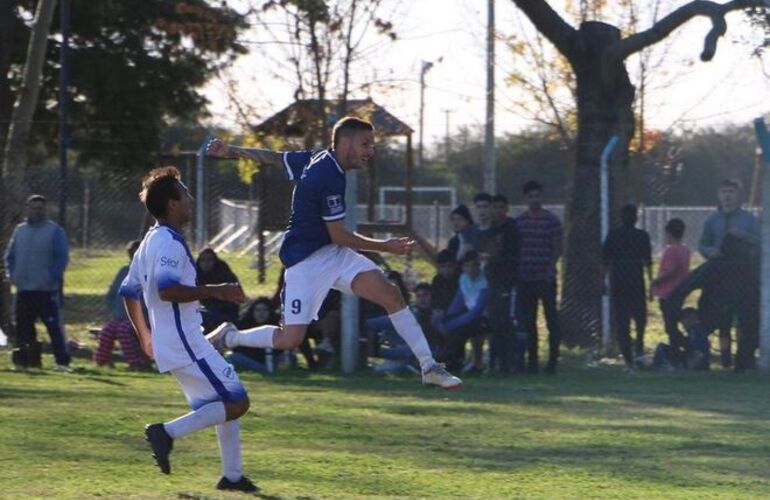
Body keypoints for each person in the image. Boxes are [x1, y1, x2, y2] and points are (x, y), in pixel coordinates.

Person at [205, 116, 461, 389]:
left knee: (391, 294)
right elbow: (339, 235)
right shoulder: (326, 176)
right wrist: (386, 246)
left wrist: (232, 151)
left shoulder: (319, 158)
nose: (371, 151)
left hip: (334, 254)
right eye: (366, 144)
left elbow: (275, 158)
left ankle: (428, 366)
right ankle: (230, 337)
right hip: (305, 263)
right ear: (345, 142)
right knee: (289, 339)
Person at [119, 167, 256, 492]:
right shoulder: (168, 243)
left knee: (223, 404)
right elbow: (167, 291)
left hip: (175, 342)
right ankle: (165, 432)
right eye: (185, 194)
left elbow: (128, 291)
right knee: (238, 402)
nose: (191, 199)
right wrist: (218, 290)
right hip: (186, 343)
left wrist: (145, 336)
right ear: (172, 204)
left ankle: (232, 477)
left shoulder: (150, 240)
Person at [698, 178, 760, 372]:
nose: (727, 196)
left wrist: (744, 236)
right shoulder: (712, 220)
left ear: (738, 195)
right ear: (719, 195)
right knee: (722, 316)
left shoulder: (749, 219)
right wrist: (709, 251)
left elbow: (761, 241)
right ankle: (725, 360)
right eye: (724, 192)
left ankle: (743, 359)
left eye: (731, 192)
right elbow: (703, 243)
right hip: (719, 271)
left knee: (743, 316)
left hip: (743, 272)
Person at [5, 194, 70, 370]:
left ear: (45, 210)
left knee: (53, 327)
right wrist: (13, 275)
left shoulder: (54, 231)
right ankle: (25, 361)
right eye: (33, 208)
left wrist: (50, 278)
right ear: (27, 209)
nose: (36, 211)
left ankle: (62, 362)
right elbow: (10, 256)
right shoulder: (20, 230)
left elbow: (61, 258)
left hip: (45, 290)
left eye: (40, 208)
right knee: (23, 327)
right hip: (23, 289)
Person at [515, 181, 563, 374]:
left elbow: (558, 247)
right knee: (529, 321)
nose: (535, 200)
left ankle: (552, 361)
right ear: (526, 199)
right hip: (525, 277)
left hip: (545, 277)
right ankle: (532, 361)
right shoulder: (519, 222)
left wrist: (550, 267)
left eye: (537, 196)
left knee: (552, 320)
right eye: (531, 196)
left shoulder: (551, 220)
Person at [602, 204, 652, 371]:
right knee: (640, 318)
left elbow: (605, 261)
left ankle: (629, 358)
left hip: (619, 281)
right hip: (635, 280)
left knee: (622, 321)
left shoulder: (613, 235)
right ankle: (638, 348)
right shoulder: (642, 236)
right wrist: (651, 283)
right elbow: (648, 262)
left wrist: (603, 281)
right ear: (636, 217)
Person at [93, 240, 150, 370]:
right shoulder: (124, 271)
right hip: (121, 317)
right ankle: (101, 362)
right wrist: (113, 311)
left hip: (144, 318)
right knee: (107, 331)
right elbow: (112, 294)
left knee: (123, 330)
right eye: (132, 253)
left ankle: (137, 364)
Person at [483, 194, 520, 374]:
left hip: (508, 282)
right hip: (492, 281)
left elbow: (513, 255)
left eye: (500, 207)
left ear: (506, 209)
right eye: (494, 207)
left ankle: (509, 362)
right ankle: (494, 361)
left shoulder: (512, 228)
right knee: (494, 322)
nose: (497, 211)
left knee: (507, 322)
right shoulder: (488, 229)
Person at [438, 251, 489, 374]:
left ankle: (455, 364)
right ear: (463, 267)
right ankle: (448, 363)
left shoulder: (485, 282)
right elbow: (457, 303)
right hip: (471, 318)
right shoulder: (463, 279)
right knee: (447, 329)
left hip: (484, 318)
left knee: (457, 331)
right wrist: (446, 320)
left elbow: (477, 310)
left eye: (475, 265)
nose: (471, 269)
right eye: (468, 266)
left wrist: (451, 325)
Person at [650, 218, 691, 366]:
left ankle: (689, 349)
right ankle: (677, 353)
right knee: (673, 324)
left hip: (667, 293)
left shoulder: (670, 250)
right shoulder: (686, 250)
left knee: (670, 326)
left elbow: (669, 270)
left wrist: (655, 282)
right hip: (679, 291)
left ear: (668, 233)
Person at [196, 248, 241, 332]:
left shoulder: (225, 275)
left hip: (225, 312)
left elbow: (235, 300)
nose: (206, 263)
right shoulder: (196, 276)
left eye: (209, 260)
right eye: (203, 260)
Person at [431, 249, 459, 314]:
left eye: (449, 266)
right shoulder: (437, 280)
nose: (446, 270)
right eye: (443, 267)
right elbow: (435, 301)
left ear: (455, 266)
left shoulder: (461, 279)